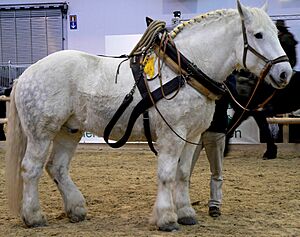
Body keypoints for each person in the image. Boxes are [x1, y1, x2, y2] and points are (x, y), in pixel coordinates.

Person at [190, 75, 236, 218]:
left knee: (217, 171)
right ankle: (181, 201)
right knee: (185, 170)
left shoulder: (229, 80)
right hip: (196, 130)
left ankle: (215, 204)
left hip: (216, 130)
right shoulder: (202, 73)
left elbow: (234, 95)